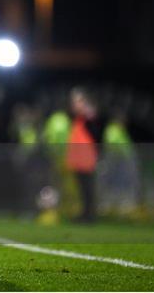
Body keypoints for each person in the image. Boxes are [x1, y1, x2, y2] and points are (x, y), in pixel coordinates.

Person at [65, 87, 104, 223]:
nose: (75, 104)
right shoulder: (78, 119)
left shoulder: (89, 117)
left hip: (86, 158)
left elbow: (95, 131)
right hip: (78, 158)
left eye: (78, 101)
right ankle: (85, 214)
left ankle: (89, 215)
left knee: (88, 188)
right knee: (82, 189)